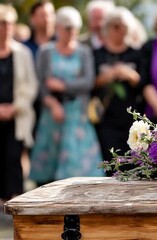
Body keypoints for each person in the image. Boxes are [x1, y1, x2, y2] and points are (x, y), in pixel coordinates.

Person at [30, 6, 103, 186]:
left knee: (78, 167)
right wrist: (52, 103)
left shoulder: (83, 52)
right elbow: (41, 84)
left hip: (77, 113)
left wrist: (63, 85)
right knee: (48, 169)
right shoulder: (46, 51)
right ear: (58, 28)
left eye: (75, 28)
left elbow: (88, 82)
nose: (71, 32)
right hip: (52, 113)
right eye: (67, 28)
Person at [92, 7, 143, 167]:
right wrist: (108, 76)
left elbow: (144, 83)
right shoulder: (97, 54)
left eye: (124, 26)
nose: (120, 30)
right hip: (105, 119)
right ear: (107, 28)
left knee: (133, 164)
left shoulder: (137, 53)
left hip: (131, 118)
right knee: (110, 165)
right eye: (115, 26)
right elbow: (90, 85)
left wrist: (130, 75)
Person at [0, 4, 38, 202]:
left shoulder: (22, 53)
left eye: (9, 24)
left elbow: (30, 86)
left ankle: (13, 202)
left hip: (17, 116)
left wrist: (14, 107)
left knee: (13, 159)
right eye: (2, 23)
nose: (5, 28)